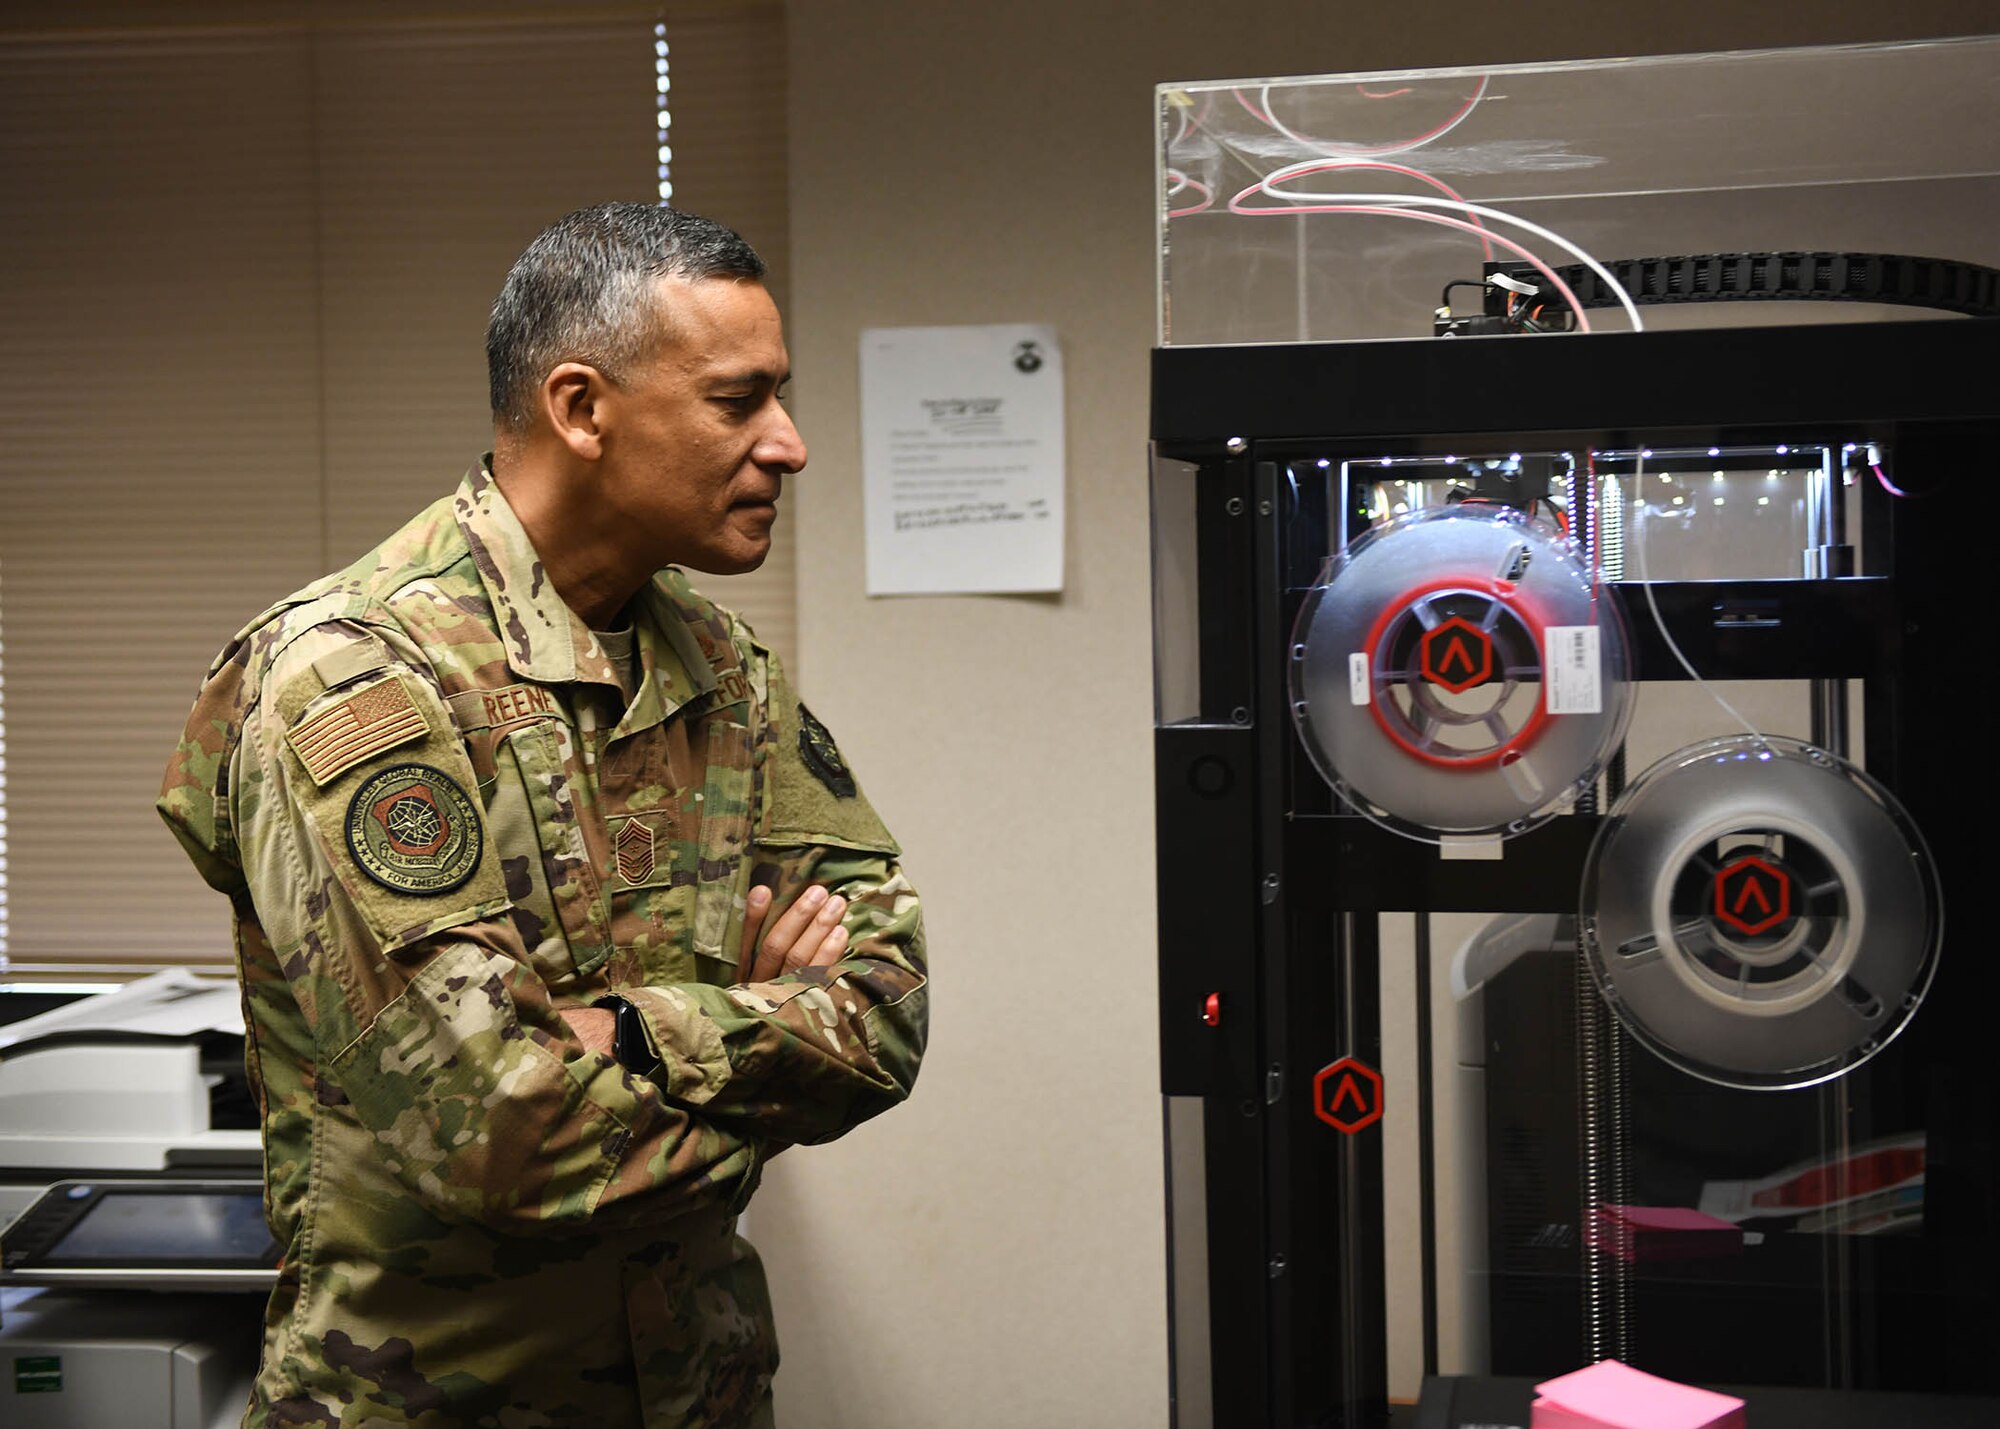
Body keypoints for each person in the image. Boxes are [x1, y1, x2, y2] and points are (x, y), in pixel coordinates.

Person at [158, 203, 927, 1429]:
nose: (788, 445)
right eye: (740, 400)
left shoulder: (724, 670)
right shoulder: (357, 679)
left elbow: (887, 1006)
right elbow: (500, 1135)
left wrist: (623, 1031)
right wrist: (764, 1043)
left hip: (698, 1392)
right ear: (581, 409)